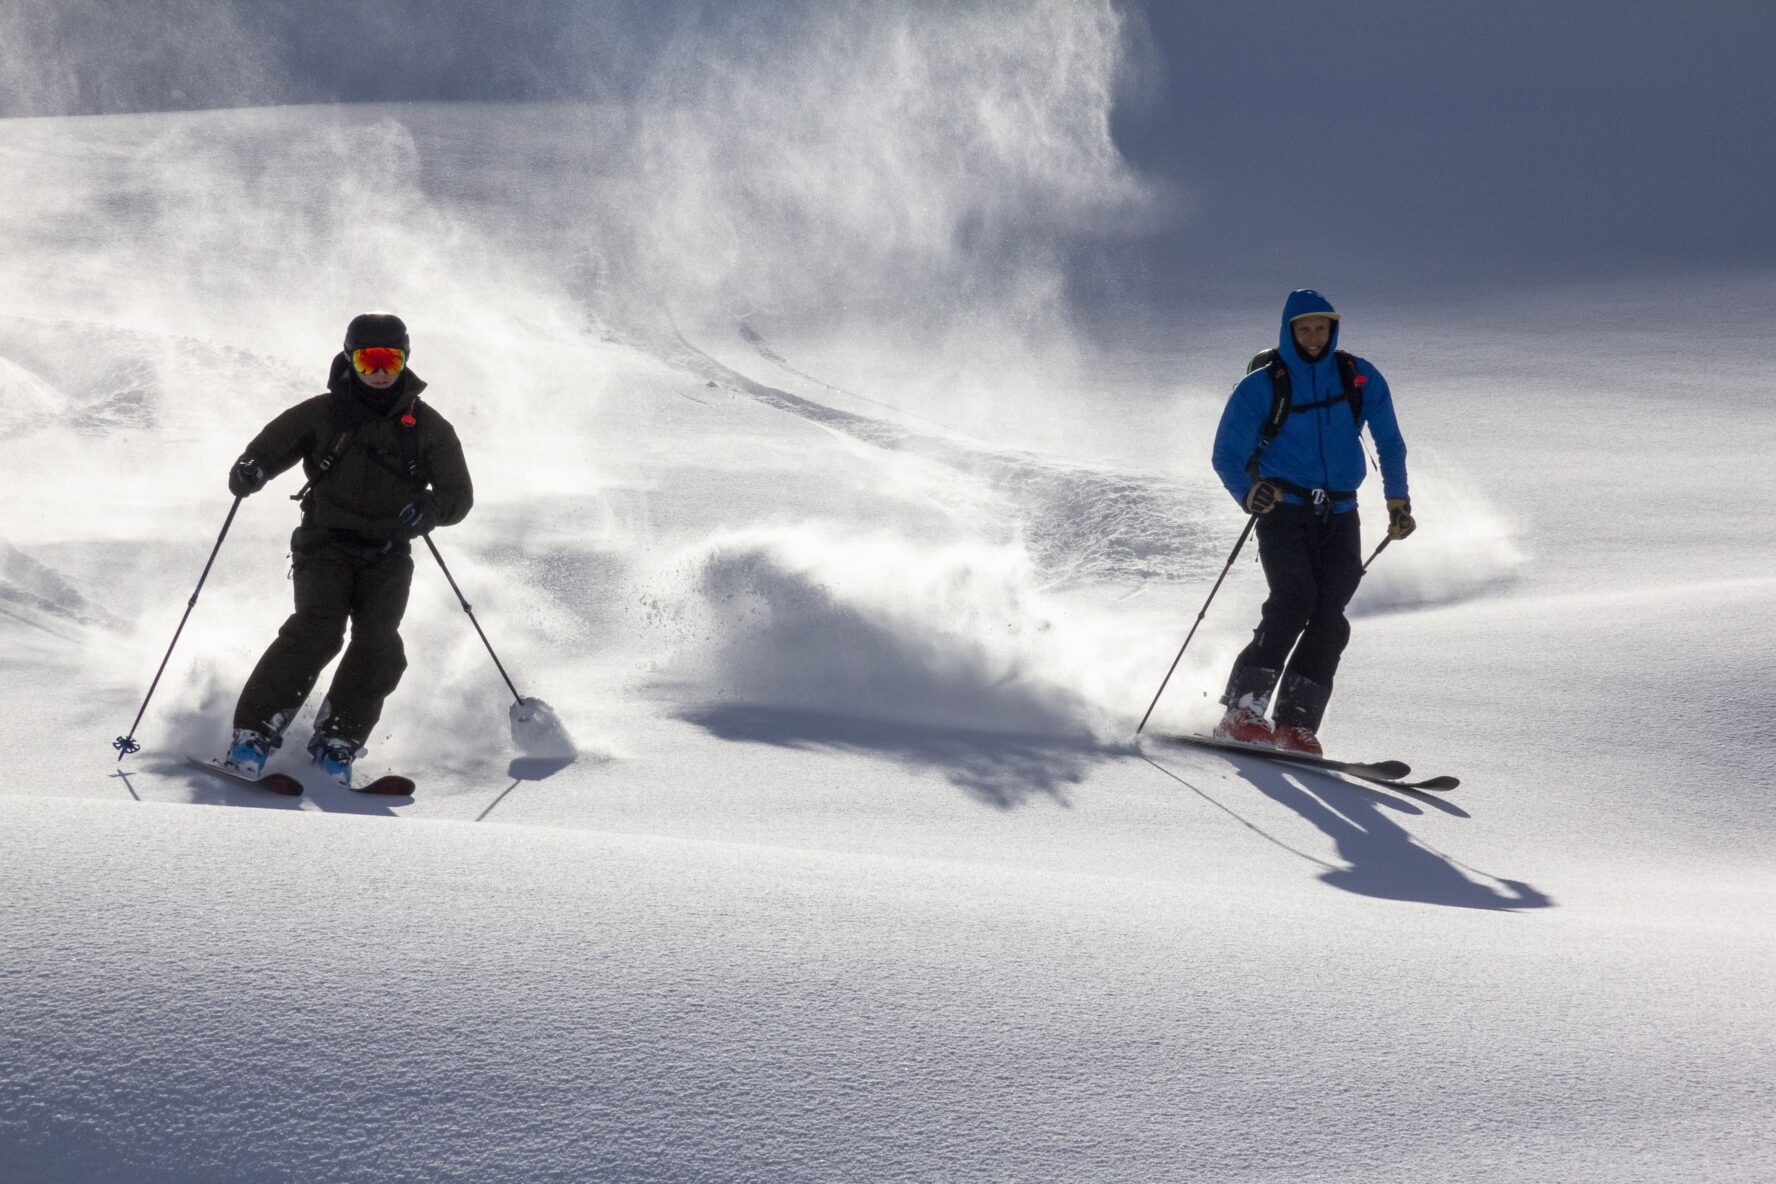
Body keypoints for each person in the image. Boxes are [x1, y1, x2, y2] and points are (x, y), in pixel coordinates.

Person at [221, 312, 473, 787]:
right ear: (350, 359)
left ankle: (339, 742)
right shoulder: (323, 413)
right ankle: (252, 735)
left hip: (388, 553)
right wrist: (251, 470)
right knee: (318, 629)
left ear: (404, 361)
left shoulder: (427, 426)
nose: (379, 369)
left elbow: (460, 496)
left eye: (390, 359)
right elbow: (269, 449)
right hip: (325, 543)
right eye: (368, 358)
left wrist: (431, 509)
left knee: (379, 641)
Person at [1208, 289, 1413, 755]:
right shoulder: (1263, 385)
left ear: (1333, 329)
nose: (1314, 337)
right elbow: (1227, 454)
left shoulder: (1358, 377)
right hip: (1284, 507)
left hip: (1341, 511)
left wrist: (1397, 500)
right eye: (1304, 329)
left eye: (1321, 328)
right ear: (1289, 330)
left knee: (1330, 617)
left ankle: (1294, 724)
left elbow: (1390, 442)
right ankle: (1242, 711)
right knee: (1293, 599)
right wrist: (1248, 492)